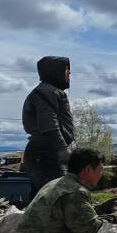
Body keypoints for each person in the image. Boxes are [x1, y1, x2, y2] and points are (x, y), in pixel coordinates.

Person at [21, 56, 75, 194]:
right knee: (58, 195)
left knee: (42, 197)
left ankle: (33, 216)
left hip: (45, 151)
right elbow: (48, 122)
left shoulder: (50, 91)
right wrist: (62, 149)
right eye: (66, 70)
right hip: (45, 152)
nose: (69, 74)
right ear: (54, 71)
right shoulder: (47, 92)